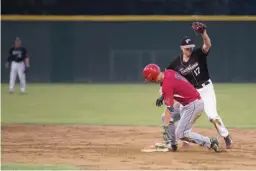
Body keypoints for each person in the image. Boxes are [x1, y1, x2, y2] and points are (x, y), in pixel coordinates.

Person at [156, 22, 232, 149]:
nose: (189, 49)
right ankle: (182, 141)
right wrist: (162, 91)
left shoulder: (198, 54)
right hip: (190, 93)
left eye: (191, 47)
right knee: (178, 115)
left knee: (212, 116)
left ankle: (226, 136)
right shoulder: (176, 63)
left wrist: (203, 33)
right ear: (181, 48)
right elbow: (166, 76)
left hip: (206, 88)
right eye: (187, 48)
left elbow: (207, 45)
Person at [143, 63, 222, 152]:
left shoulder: (166, 85)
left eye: (150, 79)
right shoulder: (169, 72)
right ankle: (171, 144)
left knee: (181, 133)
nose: (152, 82)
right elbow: (176, 84)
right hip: (187, 103)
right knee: (165, 117)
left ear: (153, 78)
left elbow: (169, 110)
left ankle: (210, 142)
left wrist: (165, 131)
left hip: (194, 105)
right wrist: (163, 96)